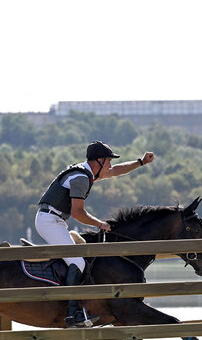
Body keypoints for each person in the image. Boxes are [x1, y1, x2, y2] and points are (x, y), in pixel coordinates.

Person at [36, 141, 155, 328]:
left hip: (54, 220)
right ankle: (72, 314)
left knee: (79, 259)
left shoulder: (85, 172)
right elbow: (77, 213)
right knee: (78, 262)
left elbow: (116, 171)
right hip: (49, 221)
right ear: (98, 161)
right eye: (108, 161)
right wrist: (100, 224)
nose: (109, 165)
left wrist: (140, 162)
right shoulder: (81, 179)